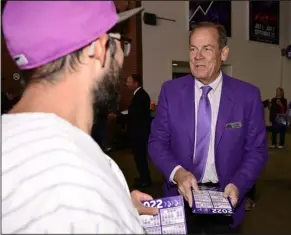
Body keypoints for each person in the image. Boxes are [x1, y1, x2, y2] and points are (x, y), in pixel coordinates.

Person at [1, 2, 158, 234]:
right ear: (100, 48)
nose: (123, 58)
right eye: (122, 44)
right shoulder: (83, 193)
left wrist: (121, 207)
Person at [148, 22, 268, 234]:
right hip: (179, 199)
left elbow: (256, 150)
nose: (197, 56)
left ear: (224, 53)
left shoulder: (247, 96)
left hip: (226, 199)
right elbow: (157, 142)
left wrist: (239, 184)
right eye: (193, 49)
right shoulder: (171, 91)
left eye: (207, 49)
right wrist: (177, 173)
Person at [126, 74, 152, 188]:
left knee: (140, 157)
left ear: (136, 83)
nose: (127, 84)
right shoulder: (139, 94)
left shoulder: (141, 95)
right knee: (138, 157)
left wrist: (119, 116)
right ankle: (143, 177)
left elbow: (134, 114)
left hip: (140, 133)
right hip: (138, 131)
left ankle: (145, 180)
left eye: (129, 81)